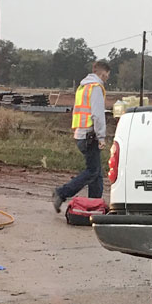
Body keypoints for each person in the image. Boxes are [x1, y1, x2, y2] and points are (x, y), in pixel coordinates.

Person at [53, 60, 110, 212]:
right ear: (103, 73)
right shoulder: (96, 88)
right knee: (92, 171)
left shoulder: (83, 87)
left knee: (96, 173)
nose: (107, 79)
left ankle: (95, 205)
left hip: (80, 133)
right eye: (107, 75)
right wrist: (101, 136)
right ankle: (62, 193)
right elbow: (97, 115)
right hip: (90, 135)